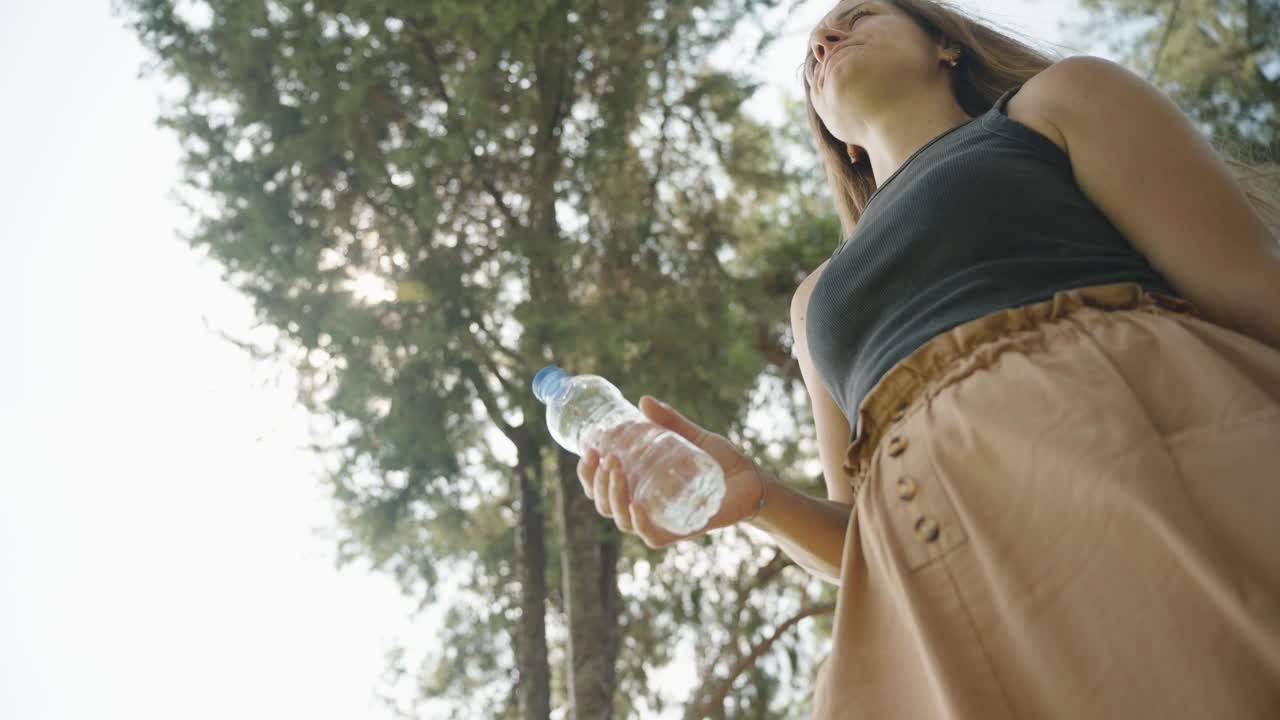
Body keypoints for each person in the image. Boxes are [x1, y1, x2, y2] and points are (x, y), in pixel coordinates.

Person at [578, 1, 1280, 717]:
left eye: (857, 15)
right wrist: (756, 498)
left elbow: (1254, 291)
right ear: (839, 142)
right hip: (942, 608)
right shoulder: (814, 300)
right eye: (812, 56)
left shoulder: (1059, 101)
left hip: (1140, 474)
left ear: (944, 42)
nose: (824, 39)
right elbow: (856, 543)